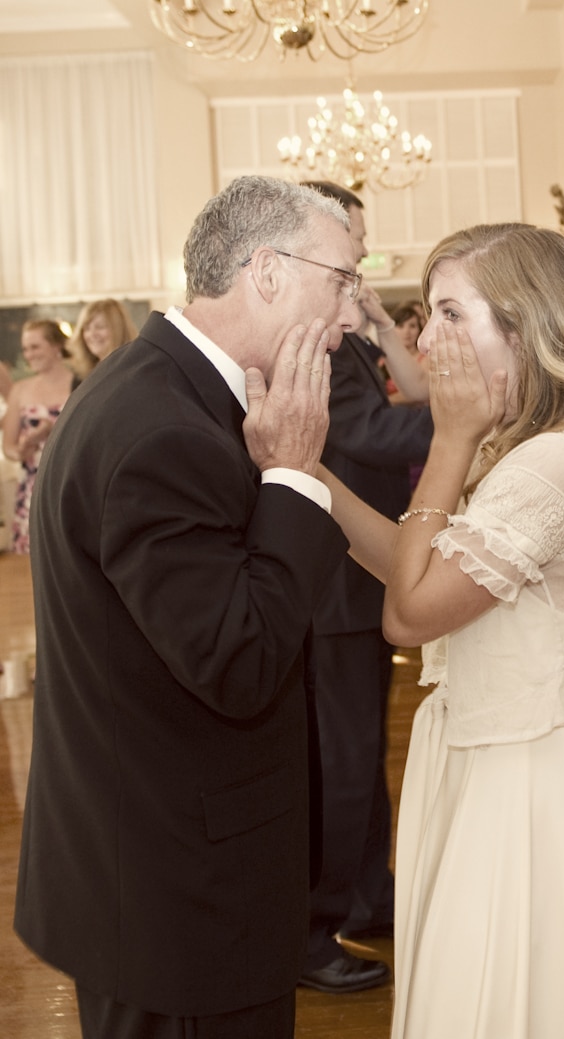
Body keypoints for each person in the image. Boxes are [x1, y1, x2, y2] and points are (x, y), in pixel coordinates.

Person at [13, 175, 361, 1039]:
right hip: (182, 901)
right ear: (267, 272)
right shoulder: (164, 428)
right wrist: (290, 476)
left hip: (157, 873)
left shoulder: (156, 387)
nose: (351, 318)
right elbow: (240, 660)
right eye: (343, 282)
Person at [320, 223, 564, 1037]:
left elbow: (407, 612)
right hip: (484, 752)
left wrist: (450, 437)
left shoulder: (553, 466)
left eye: (449, 313)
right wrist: (305, 469)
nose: (424, 341)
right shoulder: (523, 448)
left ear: (526, 326)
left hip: (524, 778)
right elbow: (416, 565)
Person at [297, 180, 433, 994]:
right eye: (353, 238)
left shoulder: (345, 327)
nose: (363, 252)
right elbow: (367, 431)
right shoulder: (317, 337)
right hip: (339, 579)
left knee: (363, 750)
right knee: (343, 762)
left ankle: (369, 894)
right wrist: (471, 415)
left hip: (362, 570)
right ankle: (314, 932)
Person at [2, 320, 75, 553]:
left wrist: (53, 431)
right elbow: (8, 446)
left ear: (56, 346)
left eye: (35, 347)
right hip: (32, 488)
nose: (29, 354)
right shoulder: (20, 390)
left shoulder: (80, 383)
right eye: (25, 349)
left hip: (70, 482)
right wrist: (22, 448)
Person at [69, 298, 139, 380]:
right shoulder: (84, 376)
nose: (92, 334)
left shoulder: (134, 372)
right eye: (87, 328)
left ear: (119, 330)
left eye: (100, 327)